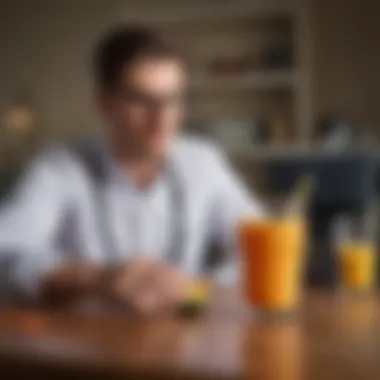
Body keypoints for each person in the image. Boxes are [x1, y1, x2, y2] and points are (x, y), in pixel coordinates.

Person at [0, 27, 262, 313]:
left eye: (173, 99)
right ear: (103, 102)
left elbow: (262, 244)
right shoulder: (58, 165)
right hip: (84, 344)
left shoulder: (203, 162)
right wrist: (97, 278)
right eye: (140, 99)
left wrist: (196, 289)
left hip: (183, 342)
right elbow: (7, 252)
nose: (162, 117)